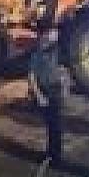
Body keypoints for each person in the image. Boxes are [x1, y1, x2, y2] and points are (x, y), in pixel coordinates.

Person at [28, 30, 69, 165]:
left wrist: (64, 90)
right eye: (44, 39)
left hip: (56, 90)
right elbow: (32, 77)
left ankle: (56, 155)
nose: (46, 41)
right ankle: (51, 152)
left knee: (56, 125)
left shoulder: (56, 53)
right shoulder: (36, 56)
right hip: (44, 90)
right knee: (50, 124)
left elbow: (64, 73)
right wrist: (39, 95)